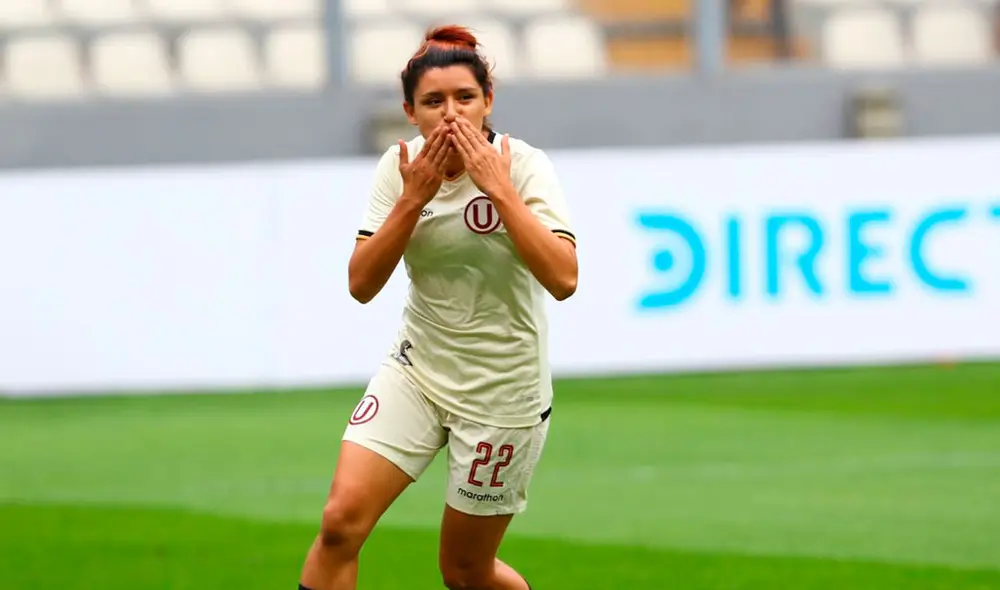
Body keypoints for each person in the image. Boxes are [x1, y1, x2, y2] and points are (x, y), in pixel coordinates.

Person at [297, 23, 578, 590]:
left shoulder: (524, 166)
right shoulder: (400, 167)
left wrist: (498, 189)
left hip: (501, 394)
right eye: (433, 102)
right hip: (417, 372)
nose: (451, 114)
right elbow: (361, 284)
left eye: (464, 97)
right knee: (339, 525)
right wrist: (413, 198)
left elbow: (564, 278)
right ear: (410, 111)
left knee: (465, 572)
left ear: (488, 101)